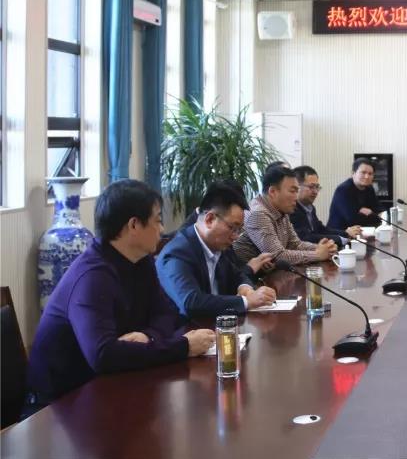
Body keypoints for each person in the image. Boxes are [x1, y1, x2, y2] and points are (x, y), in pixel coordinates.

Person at [26, 180, 215, 406]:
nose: (163, 229)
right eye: (157, 220)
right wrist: (183, 347)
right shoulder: (92, 276)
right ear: (133, 225)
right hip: (60, 404)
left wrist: (147, 336)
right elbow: (103, 355)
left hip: (108, 386)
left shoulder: (141, 261)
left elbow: (166, 314)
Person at [157, 182, 277, 318]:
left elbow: (238, 275)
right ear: (209, 219)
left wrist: (245, 288)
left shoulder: (218, 245)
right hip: (186, 328)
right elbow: (191, 302)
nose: (236, 236)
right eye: (232, 228)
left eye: (239, 230)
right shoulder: (178, 252)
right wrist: (246, 301)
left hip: (216, 325)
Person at [233, 165, 337, 265]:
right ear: (272, 191)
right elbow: (277, 256)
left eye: (297, 191)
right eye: (292, 191)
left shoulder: (281, 210)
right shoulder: (258, 213)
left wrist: (323, 248)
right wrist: (317, 255)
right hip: (248, 275)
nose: (296, 197)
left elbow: (295, 244)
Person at [291, 165, 361, 248]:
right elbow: (305, 238)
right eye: (311, 187)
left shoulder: (310, 207)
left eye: (317, 187)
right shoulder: (292, 209)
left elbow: (321, 229)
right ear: (297, 186)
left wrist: (346, 233)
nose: (315, 191)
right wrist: (340, 239)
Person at [327, 158, 383, 230]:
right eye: (363, 172)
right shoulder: (343, 189)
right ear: (353, 173)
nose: (367, 177)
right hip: (340, 233)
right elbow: (352, 219)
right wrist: (374, 214)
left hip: (361, 231)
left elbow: (378, 207)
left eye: (370, 174)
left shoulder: (369, 188)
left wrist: (378, 213)